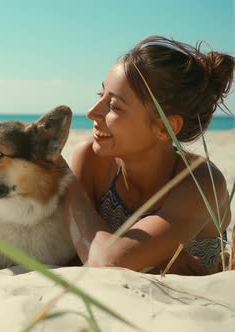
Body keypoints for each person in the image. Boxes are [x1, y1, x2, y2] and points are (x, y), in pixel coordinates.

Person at [63, 35, 234, 275]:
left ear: (165, 128)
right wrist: (150, 258)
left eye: (113, 106)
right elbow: (76, 250)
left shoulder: (201, 183)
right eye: (99, 95)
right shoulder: (91, 158)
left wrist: (66, 181)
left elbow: (106, 261)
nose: (92, 113)